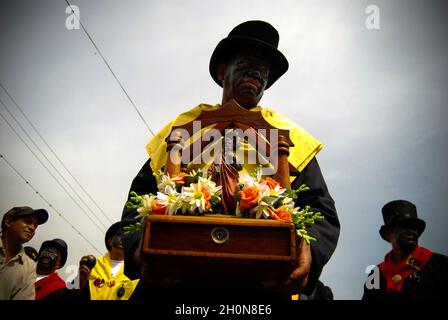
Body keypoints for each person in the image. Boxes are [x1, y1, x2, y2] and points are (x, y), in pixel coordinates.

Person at [122, 20, 340, 300]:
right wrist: (139, 250)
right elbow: (140, 196)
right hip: (175, 281)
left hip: (260, 287)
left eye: (263, 72)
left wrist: (310, 251)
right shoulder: (182, 126)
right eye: (247, 64)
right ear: (222, 72)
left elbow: (321, 210)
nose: (257, 75)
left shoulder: (289, 136)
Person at [363, 200, 448, 300]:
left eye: (414, 227)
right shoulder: (376, 275)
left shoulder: (439, 265)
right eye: (403, 226)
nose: (410, 231)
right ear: (388, 234)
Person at [0, 206, 48, 300]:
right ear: (8, 221)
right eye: (27, 221)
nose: (32, 228)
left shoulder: (30, 267)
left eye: (35, 225)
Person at [85, 222, 139, 300]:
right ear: (110, 241)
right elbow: (72, 291)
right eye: (120, 235)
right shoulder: (91, 265)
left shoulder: (135, 276)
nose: (123, 239)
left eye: (128, 237)